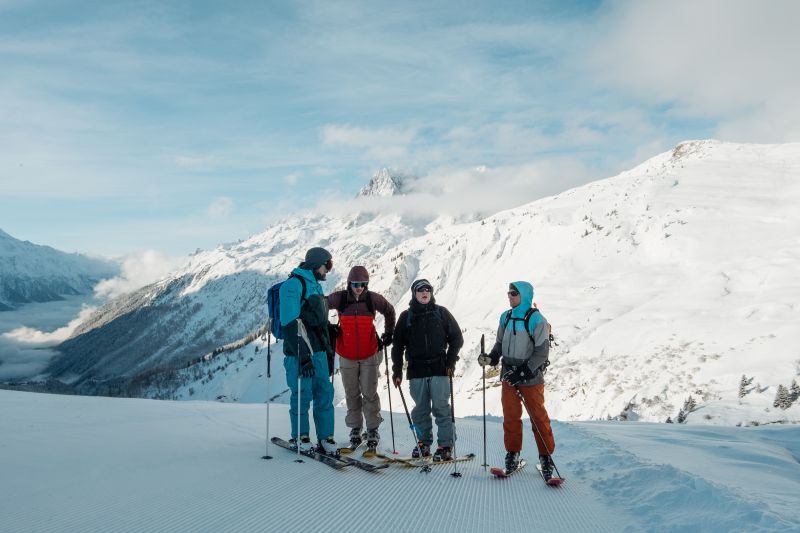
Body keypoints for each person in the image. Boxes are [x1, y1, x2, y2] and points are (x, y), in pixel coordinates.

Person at [478, 281, 556, 478]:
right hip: (508, 375)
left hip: (530, 377)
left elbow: (541, 353)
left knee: (538, 418)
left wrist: (523, 372)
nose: (510, 296)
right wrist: (492, 357)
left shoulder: (536, 320)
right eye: (509, 293)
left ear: (525, 295)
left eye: (514, 293)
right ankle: (512, 455)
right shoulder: (506, 317)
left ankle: (546, 458)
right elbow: (499, 344)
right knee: (511, 417)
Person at [391, 279, 463, 461]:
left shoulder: (441, 313)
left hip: (440, 369)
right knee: (421, 410)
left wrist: (450, 361)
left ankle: (445, 446)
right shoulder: (406, 316)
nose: (425, 292)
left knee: (441, 409)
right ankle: (423, 443)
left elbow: (456, 338)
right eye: (420, 290)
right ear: (414, 293)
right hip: (416, 371)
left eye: (428, 289)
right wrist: (397, 370)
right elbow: (397, 346)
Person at [327, 266, 396, 451]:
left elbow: (389, 311)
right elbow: (321, 305)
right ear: (350, 283)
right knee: (351, 394)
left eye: (363, 284)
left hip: (370, 354)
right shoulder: (340, 298)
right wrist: (328, 326)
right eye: (356, 284)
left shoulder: (373, 299)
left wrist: (389, 333)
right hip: (347, 355)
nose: (359, 287)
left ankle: (372, 430)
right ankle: (355, 429)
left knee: (369, 393)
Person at [279, 247, 337, 454]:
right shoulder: (293, 285)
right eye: (327, 265)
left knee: (325, 393)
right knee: (302, 394)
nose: (328, 270)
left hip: (319, 352)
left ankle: (326, 438)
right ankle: (301, 436)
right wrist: (303, 356)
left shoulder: (315, 287)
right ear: (316, 263)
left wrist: (331, 335)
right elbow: (289, 323)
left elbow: (315, 322)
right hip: (299, 354)